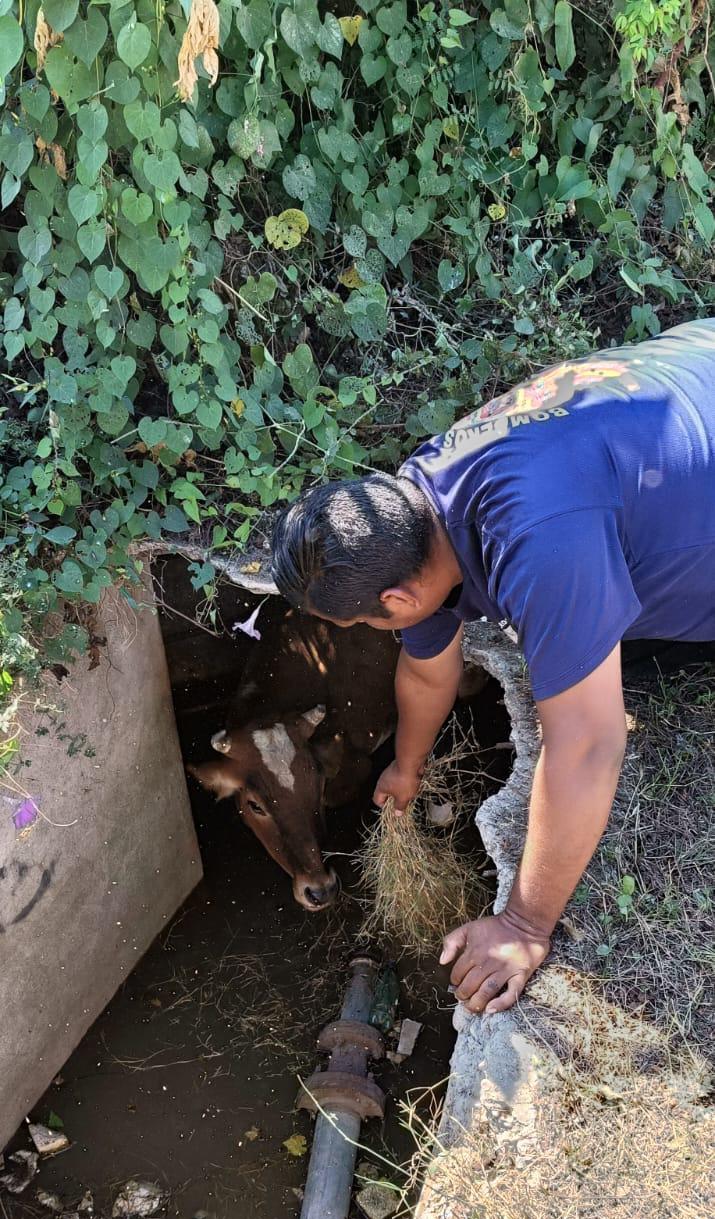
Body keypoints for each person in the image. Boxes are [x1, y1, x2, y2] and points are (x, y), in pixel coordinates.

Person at [270, 320, 715, 1014]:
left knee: (611, 681)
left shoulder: (537, 544)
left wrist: (521, 925)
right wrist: (406, 766)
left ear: (396, 598)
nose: (370, 631)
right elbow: (425, 670)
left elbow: (589, 744)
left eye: (363, 622)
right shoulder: (418, 505)